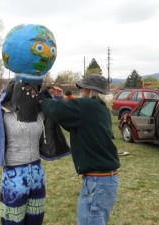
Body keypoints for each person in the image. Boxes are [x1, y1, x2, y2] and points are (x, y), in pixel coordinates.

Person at [0, 24, 69, 225]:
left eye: (35, 89)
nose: (31, 92)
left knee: (35, 220)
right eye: (28, 88)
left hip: (37, 173)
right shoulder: (3, 111)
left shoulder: (42, 108)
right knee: (13, 222)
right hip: (14, 177)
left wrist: (57, 101)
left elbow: (62, 120)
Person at [41, 74, 120, 225]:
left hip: (99, 182)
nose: (80, 92)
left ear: (89, 91)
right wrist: (57, 99)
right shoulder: (100, 109)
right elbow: (68, 122)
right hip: (99, 180)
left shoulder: (87, 106)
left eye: (82, 89)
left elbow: (56, 111)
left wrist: (42, 99)